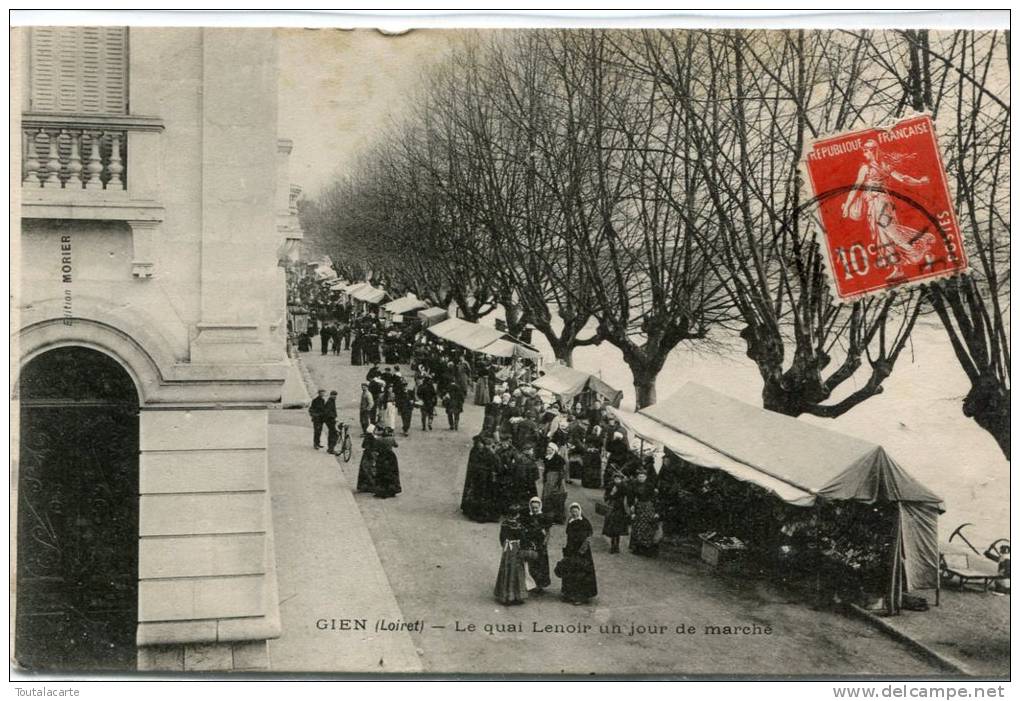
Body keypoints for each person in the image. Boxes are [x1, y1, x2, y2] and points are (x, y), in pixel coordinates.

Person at [841, 138, 935, 280]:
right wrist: (847, 205)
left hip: (881, 203)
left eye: (866, 151)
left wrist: (919, 181)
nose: (864, 154)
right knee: (884, 238)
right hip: (873, 206)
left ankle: (921, 247)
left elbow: (902, 178)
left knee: (891, 232)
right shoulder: (871, 167)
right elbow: (856, 187)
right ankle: (898, 269)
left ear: (872, 151)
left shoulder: (875, 167)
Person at [558, 503, 598, 605]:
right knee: (570, 571)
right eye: (572, 512)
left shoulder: (584, 522)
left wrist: (582, 549)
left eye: (576, 511)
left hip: (582, 551)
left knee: (581, 572)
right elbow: (568, 536)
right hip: (571, 550)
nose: (574, 513)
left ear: (579, 511)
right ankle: (569, 594)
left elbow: (588, 536)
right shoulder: (570, 521)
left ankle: (580, 596)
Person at [494, 505, 529, 605]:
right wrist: (523, 547)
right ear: (517, 515)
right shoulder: (519, 525)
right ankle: (517, 595)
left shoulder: (504, 524)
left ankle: (506, 595)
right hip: (516, 548)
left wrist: (505, 544)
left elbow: (501, 537)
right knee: (517, 570)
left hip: (507, 548)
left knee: (507, 569)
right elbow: (523, 538)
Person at [523, 497, 552, 592]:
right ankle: (531, 583)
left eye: (536, 507)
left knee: (541, 564)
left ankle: (540, 585)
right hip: (531, 542)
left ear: (540, 507)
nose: (534, 510)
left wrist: (545, 542)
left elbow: (548, 532)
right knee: (531, 563)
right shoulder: (528, 517)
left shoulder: (543, 517)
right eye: (533, 508)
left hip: (540, 543)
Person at [628, 470, 660, 557]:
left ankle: (646, 549)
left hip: (648, 508)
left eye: (643, 477)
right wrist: (632, 506)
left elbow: (655, 499)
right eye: (639, 477)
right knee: (637, 527)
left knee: (648, 528)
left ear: (646, 477)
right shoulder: (634, 485)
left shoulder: (650, 486)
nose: (641, 478)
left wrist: (656, 511)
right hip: (639, 507)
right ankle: (637, 548)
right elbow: (631, 497)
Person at [541, 442, 568, 525]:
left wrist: (558, 482)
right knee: (547, 497)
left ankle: (557, 518)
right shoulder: (547, 458)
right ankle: (548, 517)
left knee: (556, 497)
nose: (547, 449)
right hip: (549, 479)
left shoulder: (558, 458)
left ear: (553, 449)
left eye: (549, 448)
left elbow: (561, 471)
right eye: (547, 448)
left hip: (556, 479)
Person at [602, 472, 630, 554]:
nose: (617, 480)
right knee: (611, 529)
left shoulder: (624, 487)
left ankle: (617, 546)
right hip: (612, 508)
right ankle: (612, 545)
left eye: (619, 479)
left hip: (620, 509)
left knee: (617, 529)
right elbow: (606, 498)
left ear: (621, 480)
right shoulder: (610, 486)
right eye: (616, 479)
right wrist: (612, 493)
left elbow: (628, 496)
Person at [372, 433, 402, 499]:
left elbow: (375, 448)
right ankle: (392, 490)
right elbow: (396, 445)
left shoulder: (378, 440)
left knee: (381, 473)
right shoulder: (391, 439)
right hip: (390, 457)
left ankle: (381, 491)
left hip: (382, 457)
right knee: (392, 473)